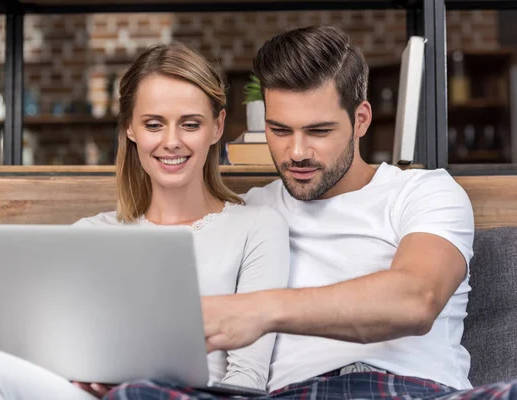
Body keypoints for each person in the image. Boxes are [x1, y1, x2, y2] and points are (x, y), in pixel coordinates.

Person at [102, 26, 517, 400]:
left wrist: (262, 310)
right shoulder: (250, 213)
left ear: (361, 120)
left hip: (418, 391)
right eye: (280, 131)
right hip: (295, 395)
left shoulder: (423, 192)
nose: (297, 152)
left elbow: (417, 299)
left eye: (318, 131)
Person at [0, 42, 290, 400]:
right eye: (154, 124)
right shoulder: (91, 234)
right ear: (130, 128)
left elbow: (248, 379)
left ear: (217, 126)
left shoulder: (256, 227)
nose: (172, 141)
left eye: (190, 124)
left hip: (179, 398)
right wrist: (75, 373)